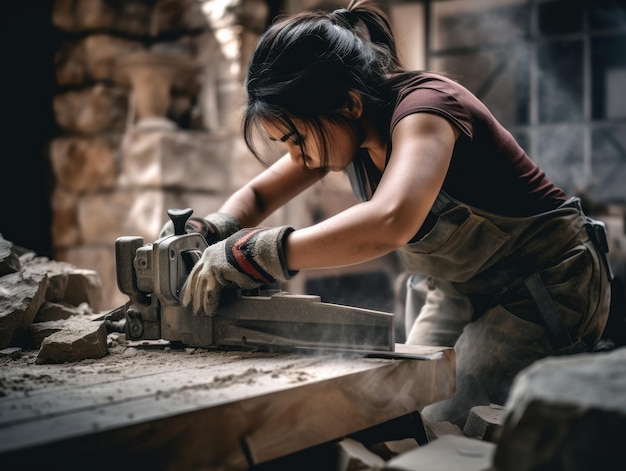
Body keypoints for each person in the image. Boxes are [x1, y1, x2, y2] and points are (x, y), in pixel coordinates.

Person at [165, 0, 612, 428]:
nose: (296, 157)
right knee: (401, 406)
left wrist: (254, 253)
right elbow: (258, 197)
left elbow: (390, 220)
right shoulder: (347, 131)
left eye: (296, 138)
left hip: (544, 282)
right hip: (459, 288)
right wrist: (212, 228)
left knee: (450, 422)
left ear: (349, 105)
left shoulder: (427, 112)